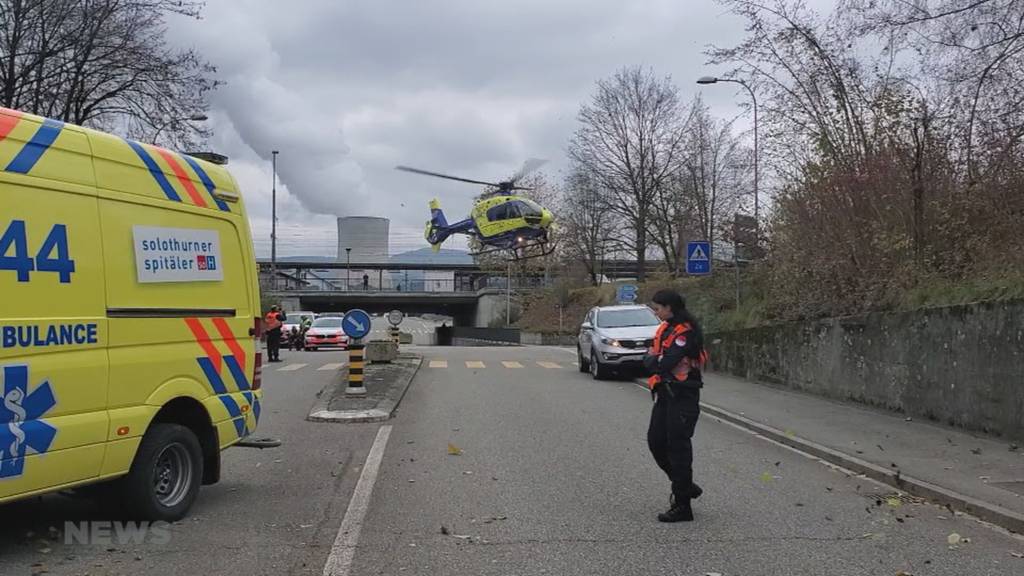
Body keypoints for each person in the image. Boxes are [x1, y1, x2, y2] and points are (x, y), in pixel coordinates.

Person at [643, 289, 708, 523]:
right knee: (656, 442)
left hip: (682, 395)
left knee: (678, 449)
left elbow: (665, 361)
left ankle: (683, 506)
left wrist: (657, 359)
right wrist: (656, 360)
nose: (656, 312)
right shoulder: (666, 329)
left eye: (658, 308)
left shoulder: (686, 332)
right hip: (664, 393)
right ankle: (685, 485)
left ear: (670, 307)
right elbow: (650, 359)